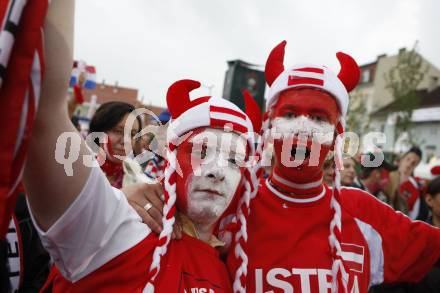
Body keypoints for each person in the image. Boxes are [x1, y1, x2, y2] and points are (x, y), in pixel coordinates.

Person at [139, 41, 440, 292]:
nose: (303, 128)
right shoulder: (231, 202)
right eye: (290, 113)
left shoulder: (363, 212)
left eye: (320, 118)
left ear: (337, 134)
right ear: (269, 127)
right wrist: (133, 195)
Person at [21, 3, 262, 291]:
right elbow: (40, 115)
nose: (217, 172)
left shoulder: (233, 266)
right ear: (170, 157)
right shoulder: (114, 229)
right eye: (201, 152)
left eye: (234, 160)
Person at [385, 147, 428, 219]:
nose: (408, 165)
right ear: (402, 159)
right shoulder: (386, 176)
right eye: (408, 159)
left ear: (416, 166)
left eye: (413, 163)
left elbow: (412, 215)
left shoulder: (414, 188)